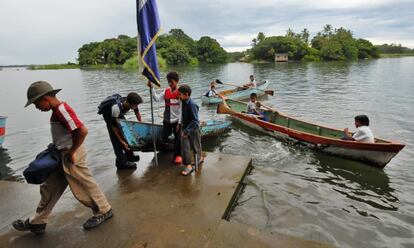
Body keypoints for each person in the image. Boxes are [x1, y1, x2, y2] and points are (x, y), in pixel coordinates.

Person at [14, 81, 112, 235]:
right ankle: (38, 222)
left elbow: (82, 131)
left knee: (83, 184)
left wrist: (72, 151)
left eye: (36, 103)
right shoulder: (57, 111)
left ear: (45, 98)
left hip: (72, 153)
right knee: (49, 187)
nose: (37, 107)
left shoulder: (62, 110)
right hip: (61, 154)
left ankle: (104, 210)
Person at [98, 92, 143, 169]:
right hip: (109, 114)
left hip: (118, 113)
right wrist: (121, 140)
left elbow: (137, 113)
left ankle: (129, 156)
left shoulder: (132, 102)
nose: (136, 107)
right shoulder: (116, 108)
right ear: (129, 104)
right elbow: (114, 127)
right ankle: (121, 162)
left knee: (126, 130)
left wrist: (141, 124)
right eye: (136, 105)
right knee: (115, 137)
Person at [147, 71, 182, 164]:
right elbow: (157, 99)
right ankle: (170, 147)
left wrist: (180, 123)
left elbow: (183, 109)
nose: (170, 84)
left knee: (178, 139)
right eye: (168, 82)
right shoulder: (166, 91)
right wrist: (151, 88)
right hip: (167, 120)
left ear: (177, 81)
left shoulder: (180, 92)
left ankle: (178, 155)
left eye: (172, 82)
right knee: (164, 137)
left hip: (177, 121)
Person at [177, 84, 203, 176]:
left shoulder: (192, 105)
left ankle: (199, 158)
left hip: (193, 129)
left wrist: (187, 131)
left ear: (186, 94)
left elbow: (195, 121)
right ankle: (188, 165)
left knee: (196, 147)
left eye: (180, 94)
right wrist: (180, 125)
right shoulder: (183, 102)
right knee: (185, 148)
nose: (178, 96)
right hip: (185, 128)